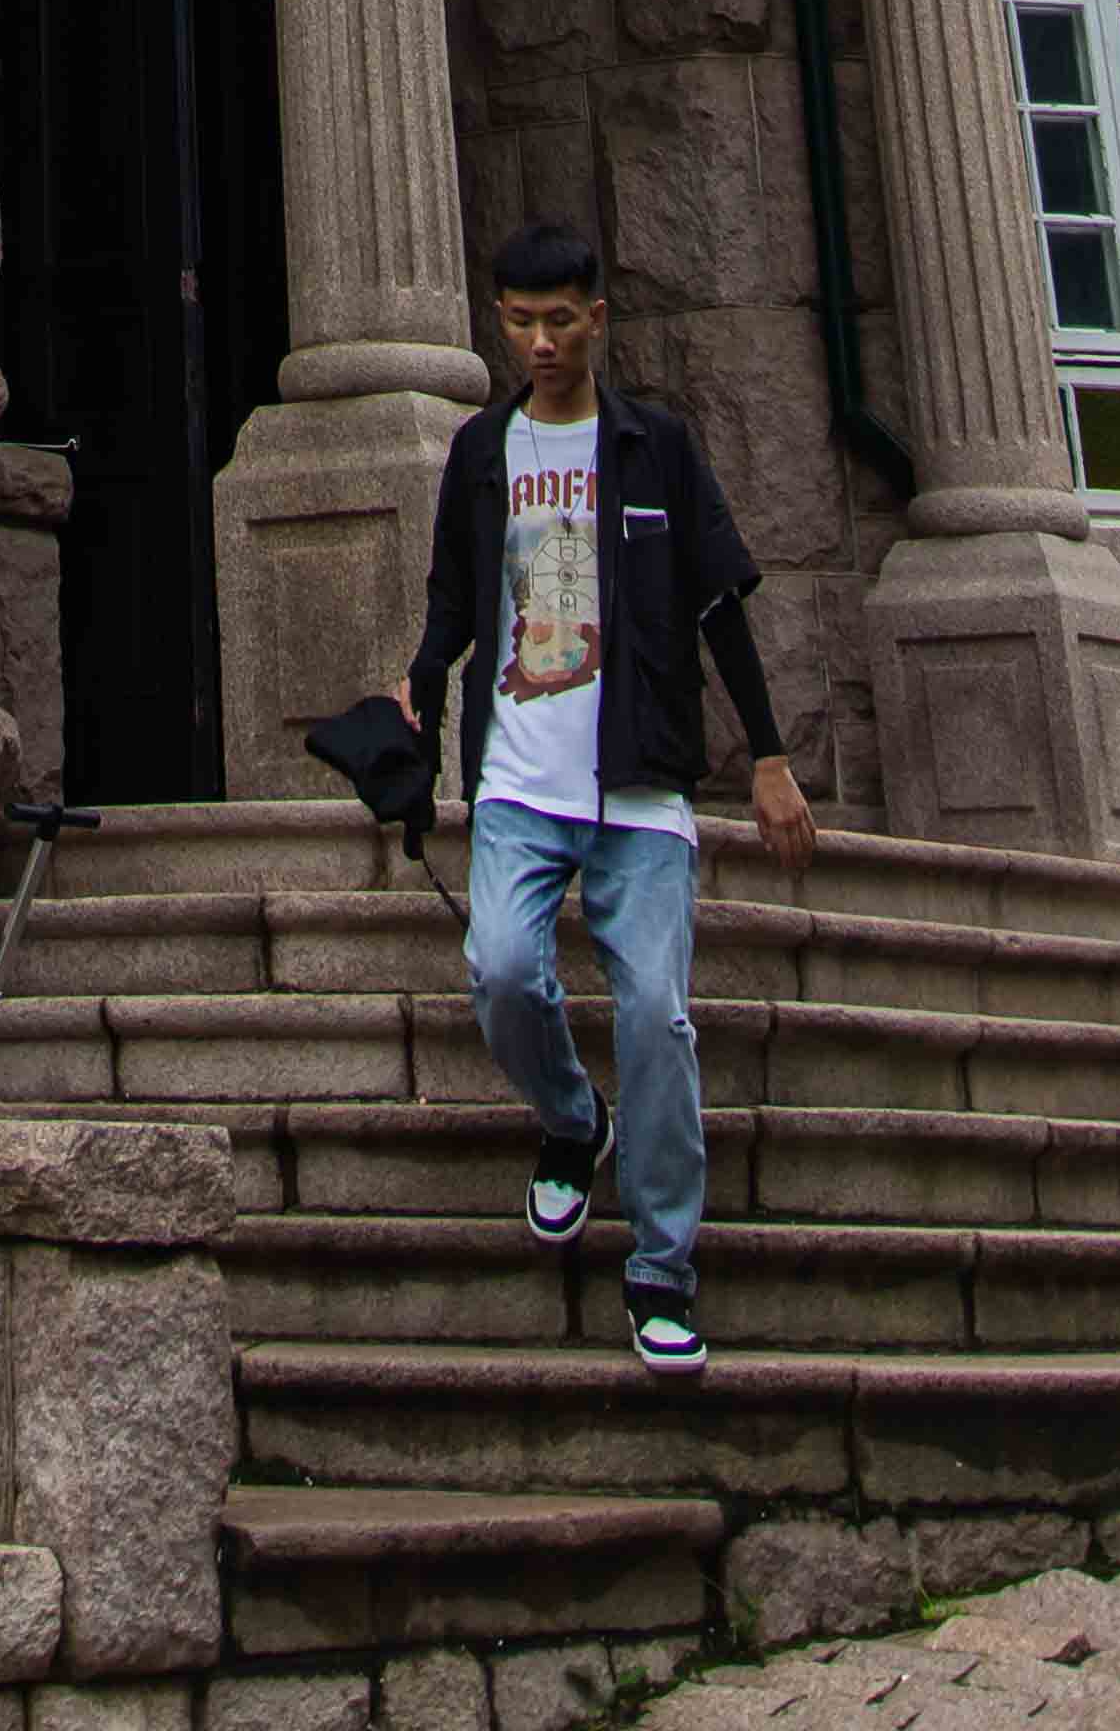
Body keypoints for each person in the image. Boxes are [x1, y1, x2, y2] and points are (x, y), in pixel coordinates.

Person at [399, 216, 818, 1379]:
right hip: (517, 778)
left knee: (657, 1021)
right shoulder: (482, 453)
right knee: (498, 970)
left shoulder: (654, 448)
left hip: (639, 785)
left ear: (597, 319)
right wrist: (420, 682)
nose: (539, 341)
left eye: (558, 320)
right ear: (500, 320)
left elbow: (716, 604)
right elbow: (451, 601)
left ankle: (662, 1269)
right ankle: (571, 1121)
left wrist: (771, 758)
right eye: (519, 321)